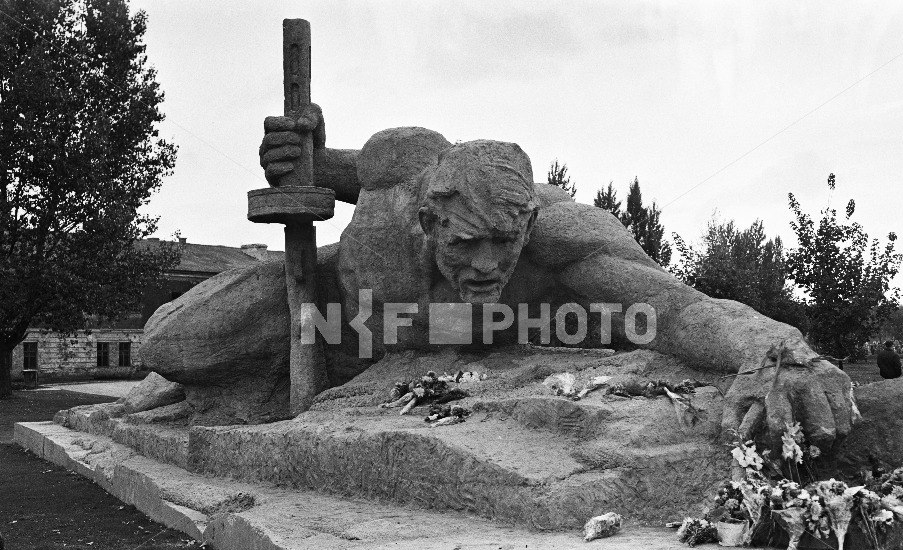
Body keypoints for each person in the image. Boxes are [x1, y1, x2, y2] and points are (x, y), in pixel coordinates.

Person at [252, 104, 859, 447]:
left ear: (530, 222)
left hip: (378, 347)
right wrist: (301, 158)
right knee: (183, 343)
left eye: (505, 243)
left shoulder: (561, 232)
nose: (487, 265)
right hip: (322, 315)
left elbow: (670, 306)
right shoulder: (393, 206)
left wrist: (777, 354)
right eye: (465, 244)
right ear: (428, 221)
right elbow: (326, 171)